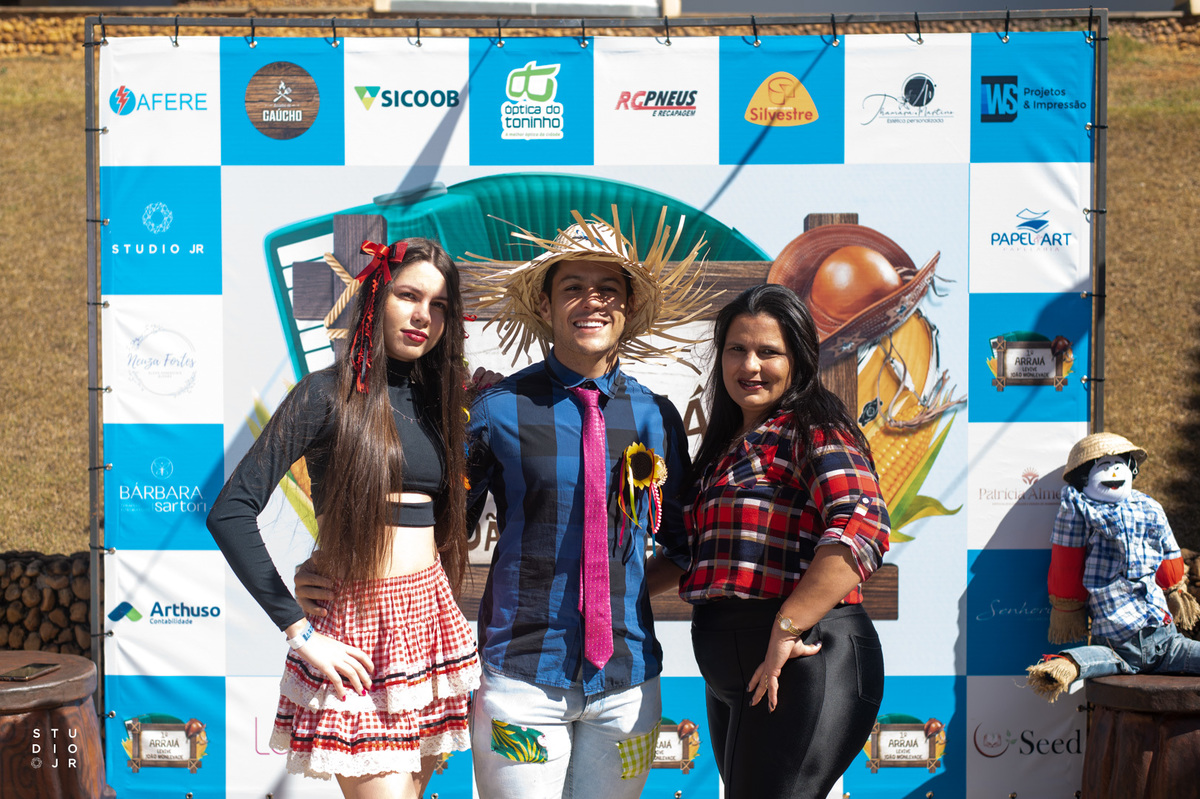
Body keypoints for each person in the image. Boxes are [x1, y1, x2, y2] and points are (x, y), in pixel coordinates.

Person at [206, 237, 481, 798]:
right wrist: (299, 630)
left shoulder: (440, 406)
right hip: (356, 637)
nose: (423, 316)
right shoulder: (324, 394)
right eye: (409, 296)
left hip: (428, 632)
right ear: (377, 296)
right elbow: (230, 510)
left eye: (439, 305)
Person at [461, 208, 715, 799]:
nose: (591, 301)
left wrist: (610, 588)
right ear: (545, 305)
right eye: (572, 287)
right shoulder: (497, 409)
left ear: (628, 306)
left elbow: (683, 545)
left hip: (628, 685)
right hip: (520, 678)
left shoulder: (655, 416)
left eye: (608, 289)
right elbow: (441, 533)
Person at [681, 283, 890, 798]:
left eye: (768, 352)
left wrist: (786, 627)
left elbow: (863, 525)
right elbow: (689, 554)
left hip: (805, 655)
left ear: (798, 359)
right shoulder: (723, 447)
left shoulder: (815, 429)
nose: (749, 365)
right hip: (739, 672)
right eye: (736, 349)